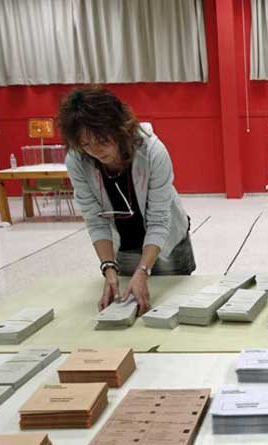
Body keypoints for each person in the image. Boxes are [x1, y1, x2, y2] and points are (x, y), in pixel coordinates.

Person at [58, 86, 195, 315]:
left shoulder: (152, 152)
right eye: (85, 144)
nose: (95, 151)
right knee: (133, 310)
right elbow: (95, 219)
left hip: (168, 243)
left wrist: (143, 269)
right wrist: (108, 267)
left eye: (101, 140)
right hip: (124, 245)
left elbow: (160, 220)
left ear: (119, 127)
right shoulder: (77, 160)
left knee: (175, 308)